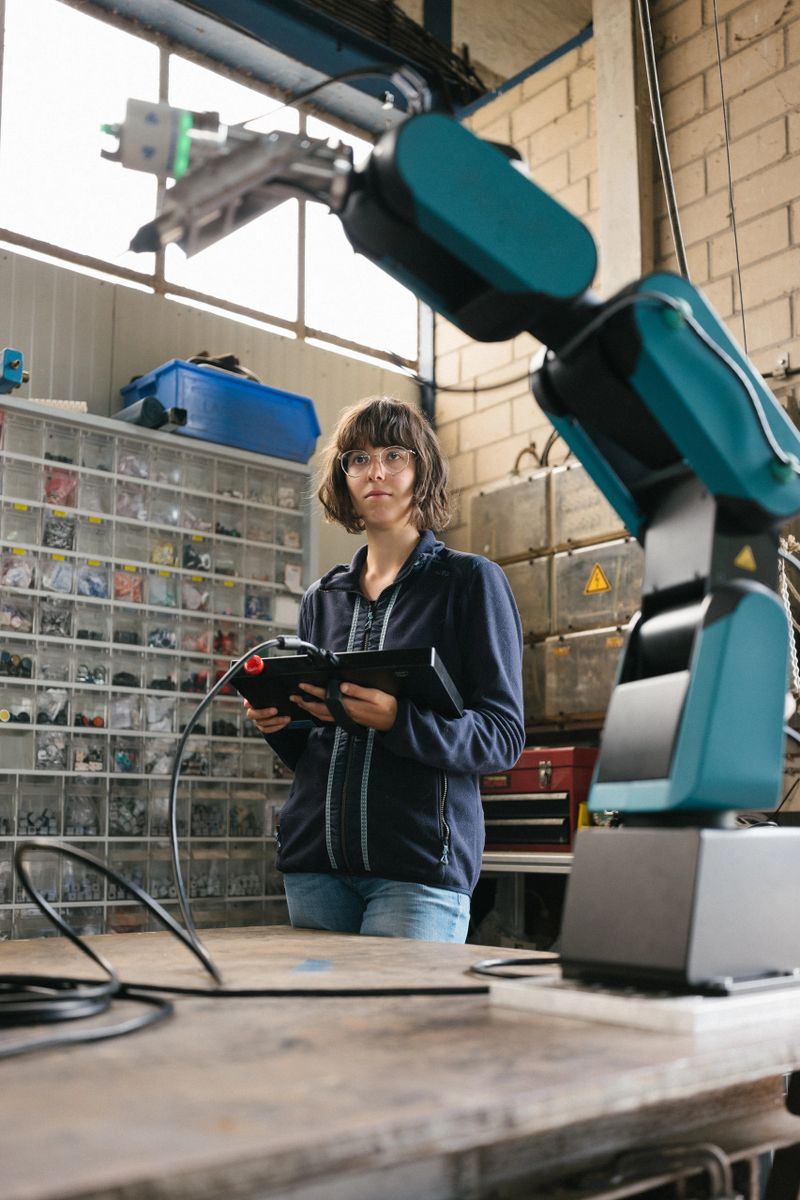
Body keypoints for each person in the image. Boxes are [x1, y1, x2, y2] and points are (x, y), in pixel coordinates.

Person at [244, 395, 524, 942]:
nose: (376, 472)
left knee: (400, 1028)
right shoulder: (322, 598)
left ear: (422, 469)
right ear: (343, 477)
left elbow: (502, 738)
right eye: (358, 459)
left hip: (417, 869)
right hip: (315, 864)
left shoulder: (469, 582)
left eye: (395, 455)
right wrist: (283, 725)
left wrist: (399, 719)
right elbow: (323, 743)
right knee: (321, 1030)